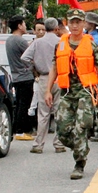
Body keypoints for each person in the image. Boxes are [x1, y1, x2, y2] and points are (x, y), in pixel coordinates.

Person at [45, 8, 98, 180]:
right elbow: (55, 68)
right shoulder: (61, 44)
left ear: (83, 24)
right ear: (67, 23)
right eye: (71, 22)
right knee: (63, 131)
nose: (74, 25)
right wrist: (48, 90)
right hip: (67, 93)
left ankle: (79, 163)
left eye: (78, 22)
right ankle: (81, 147)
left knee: (80, 127)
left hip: (85, 92)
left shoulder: (91, 44)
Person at [21, 17, 66, 154]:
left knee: (43, 112)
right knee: (59, 111)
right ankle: (58, 144)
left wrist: (34, 66)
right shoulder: (61, 42)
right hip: (59, 78)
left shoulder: (37, 43)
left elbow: (24, 58)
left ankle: (38, 144)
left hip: (44, 78)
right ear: (57, 28)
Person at [6, 15, 35, 141]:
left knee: (19, 104)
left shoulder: (9, 40)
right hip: (25, 76)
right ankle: (20, 131)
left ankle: (16, 129)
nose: (25, 26)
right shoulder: (20, 41)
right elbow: (32, 55)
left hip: (16, 77)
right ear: (19, 25)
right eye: (24, 23)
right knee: (24, 105)